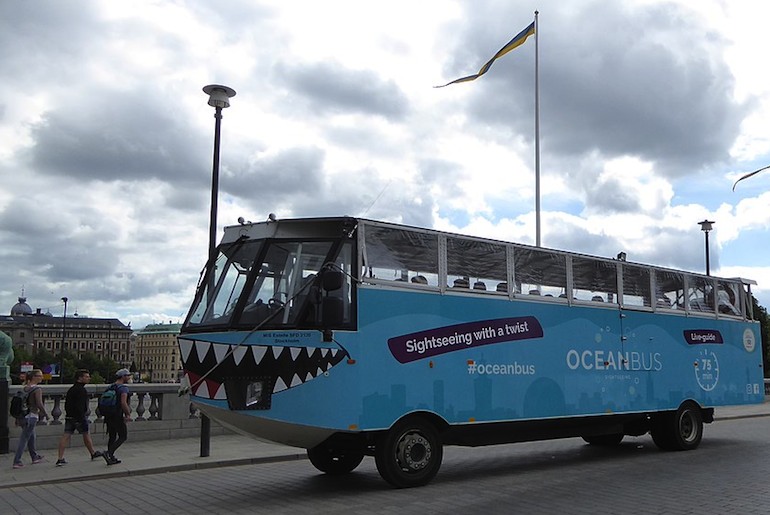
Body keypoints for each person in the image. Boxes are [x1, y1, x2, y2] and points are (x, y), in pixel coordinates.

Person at [55, 369, 103, 466]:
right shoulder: (81, 390)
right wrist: (81, 418)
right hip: (79, 417)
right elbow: (80, 406)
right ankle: (93, 453)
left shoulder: (72, 389)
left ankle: (60, 458)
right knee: (86, 434)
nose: (89, 378)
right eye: (86, 376)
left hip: (70, 416)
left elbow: (67, 405)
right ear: (80, 378)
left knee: (66, 436)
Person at [12, 368, 48, 469]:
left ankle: (34, 457)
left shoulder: (25, 388)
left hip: (23, 416)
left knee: (31, 436)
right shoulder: (37, 389)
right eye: (40, 376)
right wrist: (45, 414)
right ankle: (17, 461)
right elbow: (39, 403)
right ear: (34, 377)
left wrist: (17, 418)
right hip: (31, 416)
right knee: (24, 439)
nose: (42, 377)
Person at [102, 368, 132, 465]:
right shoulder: (123, 388)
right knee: (123, 436)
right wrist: (128, 414)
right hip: (117, 415)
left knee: (112, 436)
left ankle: (111, 457)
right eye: (127, 375)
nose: (129, 377)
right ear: (123, 377)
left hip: (108, 415)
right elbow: (123, 403)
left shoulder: (110, 386)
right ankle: (108, 453)